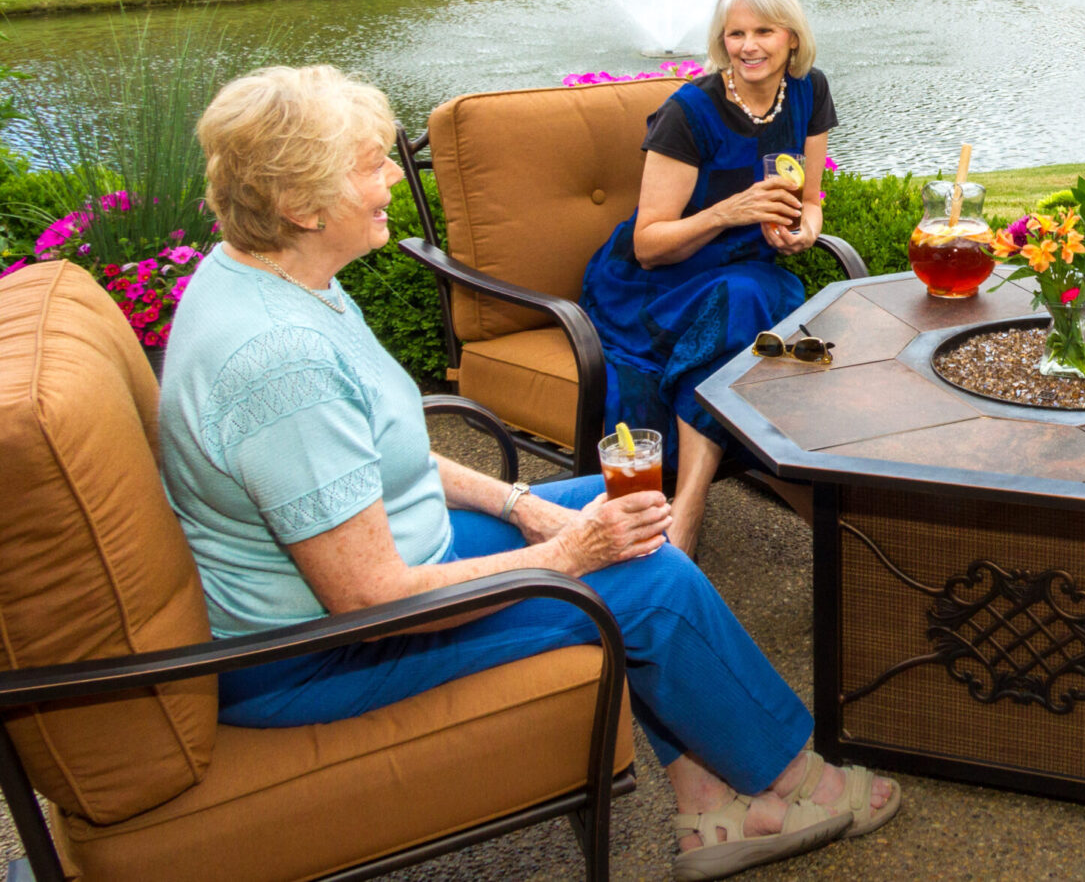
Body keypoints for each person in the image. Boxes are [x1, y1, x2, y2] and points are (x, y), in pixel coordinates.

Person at [160, 65, 896, 880]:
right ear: (300, 205)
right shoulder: (279, 364)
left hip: (375, 570)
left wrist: (521, 502)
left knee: (620, 505)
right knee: (644, 581)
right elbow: (366, 601)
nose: (391, 188)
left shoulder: (280, 280)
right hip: (311, 655)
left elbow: (380, 453)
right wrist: (563, 559)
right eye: (368, 167)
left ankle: (705, 802)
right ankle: (794, 783)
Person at [580, 0, 835, 558]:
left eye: (764, 31)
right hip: (657, 283)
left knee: (752, 294)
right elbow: (649, 244)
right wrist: (732, 211)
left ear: (792, 37)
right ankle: (690, 509)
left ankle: (698, 511)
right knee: (747, 303)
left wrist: (802, 231)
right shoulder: (689, 112)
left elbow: (813, 200)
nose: (748, 45)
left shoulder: (808, 91)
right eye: (735, 32)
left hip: (749, 268)